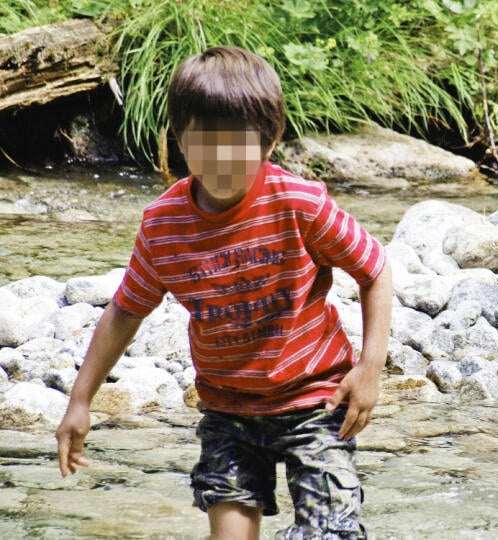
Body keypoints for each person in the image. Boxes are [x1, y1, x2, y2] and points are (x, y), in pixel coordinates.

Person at [55, 45, 392, 540]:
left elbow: (375, 270)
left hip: (315, 399)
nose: (221, 160)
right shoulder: (163, 226)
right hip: (228, 408)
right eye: (204, 143)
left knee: (331, 533)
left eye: (238, 145)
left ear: (270, 139)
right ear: (179, 138)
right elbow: (126, 311)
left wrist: (370, 368)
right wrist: (80, 399)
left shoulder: (299, 204)